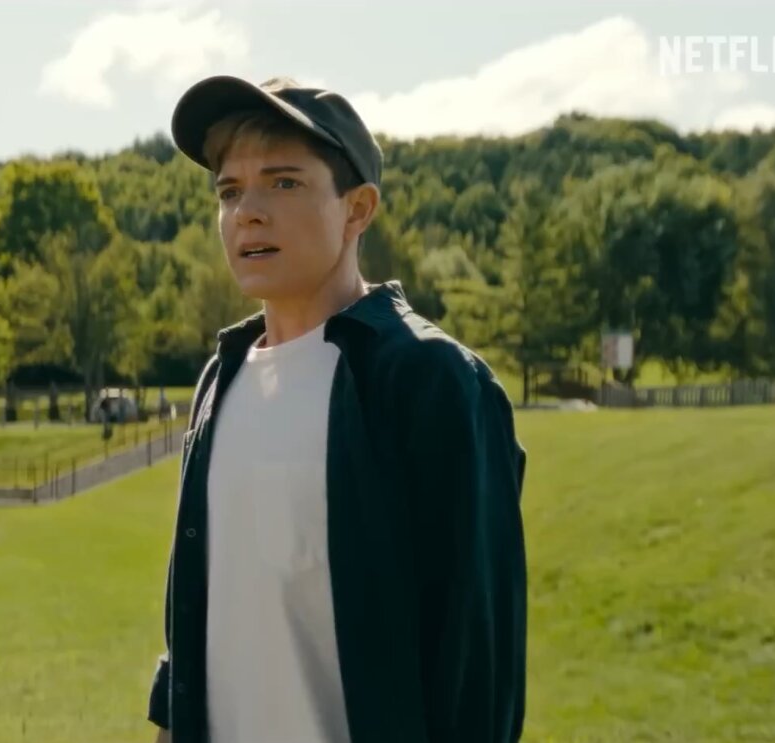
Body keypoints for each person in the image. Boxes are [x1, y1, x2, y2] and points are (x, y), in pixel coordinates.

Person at [147, 75, 528, 743]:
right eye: (229, 191)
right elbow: (197, 629)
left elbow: (477, 672)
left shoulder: (430, 381)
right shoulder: (220, 379)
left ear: (357, 209)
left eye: (283, 182)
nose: (247, 212)